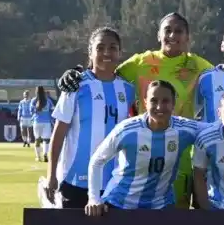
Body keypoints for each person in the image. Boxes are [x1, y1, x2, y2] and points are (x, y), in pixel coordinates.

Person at [56, 13, 224, 209]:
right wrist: (76, 72)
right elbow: (105, 72)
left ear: (187, 38)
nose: (173, 36)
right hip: (140, 150)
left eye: (179, 31)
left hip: (182, 151)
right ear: (159, 35)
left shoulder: (199, 67)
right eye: (168, 31)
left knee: (175, 219)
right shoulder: (141, 62)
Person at [44, 28, 136, 209]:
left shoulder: (128, 90)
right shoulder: (75, 86)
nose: (106, 53)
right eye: (100, 48)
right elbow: (59, 132)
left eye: (112, 47)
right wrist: (51, 174)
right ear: (90, 52)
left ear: (120, 52)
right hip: (75, 181)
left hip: (113, 183)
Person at [84, 80, 206, 216]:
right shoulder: (126, 129)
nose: (159, 107)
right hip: (120, 204)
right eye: (154, 101)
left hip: (161, 206)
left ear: (173, 104)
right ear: (145, 102)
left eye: (165, 101)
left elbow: (217, 128)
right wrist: (94, 198)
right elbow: (97, 161)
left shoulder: (184, 129)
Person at [30, 86, 54, 162]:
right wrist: (52, 120)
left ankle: (38, 157)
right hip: (46, 122)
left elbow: (31, 111)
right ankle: (45, 154)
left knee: (37, 139)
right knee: (46, 140)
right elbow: (52, 110)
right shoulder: (48, 100)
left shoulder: (34, 100)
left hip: (37, 122)